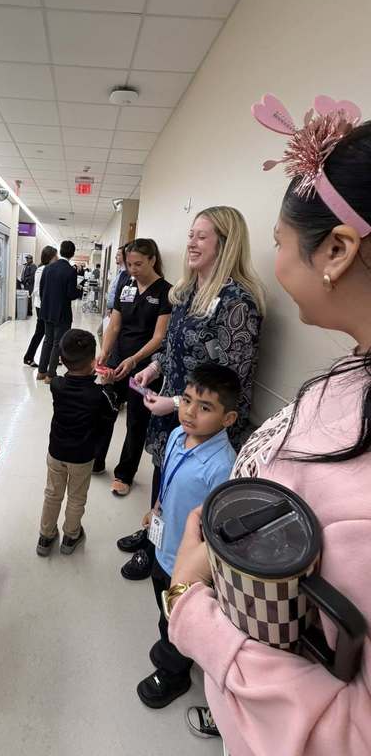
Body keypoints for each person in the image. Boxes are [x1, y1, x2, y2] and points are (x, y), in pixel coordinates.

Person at [166, 96, 371, 756]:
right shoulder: (351, 373)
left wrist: (189, 602)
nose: (281, 260)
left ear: (336, 250)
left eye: (284, 241)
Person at [121, 207, 265, 580]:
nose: (191, 242)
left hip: (205, 422)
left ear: (226, 243)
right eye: (191, 234)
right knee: (164, 475)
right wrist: (152, 370)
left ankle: (166, 557)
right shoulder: (184, 293)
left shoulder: (238, 302)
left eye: (202, 236)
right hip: (175, 410)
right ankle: (153, 535)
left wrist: (177, 403)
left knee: (190, 497)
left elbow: (231, 378)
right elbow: (172, 347)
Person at [134, 364, 238, 709]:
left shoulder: (221, 466)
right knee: (164, 608)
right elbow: (169, 478)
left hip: (187, 565)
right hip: (163, 546)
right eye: (187, 400)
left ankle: (174, 672)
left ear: (228, 418)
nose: (189, 412)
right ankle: (169, 643)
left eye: (205, 407)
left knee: (180, 615)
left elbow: (217, 529)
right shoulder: (180, 435)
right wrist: (158, 508)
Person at [95, 239, 172, 495]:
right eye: (129, 264)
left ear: (152, 259)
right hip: (117, 362)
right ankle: (96, 460)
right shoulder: (125, 285)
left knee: (137, 421)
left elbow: (159, 337)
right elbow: (114, 325)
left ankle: (125, 474)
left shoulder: (165, 292)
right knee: (105, 409)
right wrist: (105, 352)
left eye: (138, 264)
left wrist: (135, 360)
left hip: (144, 370)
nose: (133, 269)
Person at [36, 329, 118, 556]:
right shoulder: (98, 393)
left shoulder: (57, 385)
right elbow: (111, 414)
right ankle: (71, 536)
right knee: (76, 497)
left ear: (61, 360)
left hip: (56, 451)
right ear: (94, 361)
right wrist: (108, 385)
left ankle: (45, 536)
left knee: (52, 494)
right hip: (82, 455)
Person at [37, 240, 83, 383]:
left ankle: (41, 372)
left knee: (47, 340)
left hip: (47, 310)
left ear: (60, 251)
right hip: (62, 313)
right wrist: (78, 290)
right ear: (72, 253)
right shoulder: (70, 271)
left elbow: (41, 289)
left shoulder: (48, 268)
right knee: (58, 343)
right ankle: (51, 375)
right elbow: (70, 294)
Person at [23, 245, 58, 367]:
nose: (57, 258)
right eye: (55, 256)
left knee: (46, 332)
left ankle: (52, 357)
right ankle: (29, 357)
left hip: (44, 305)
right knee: (41, 333)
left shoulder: (47, 268)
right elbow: (37, 290)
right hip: (42, 306)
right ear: (50, 257)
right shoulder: (42, 270)